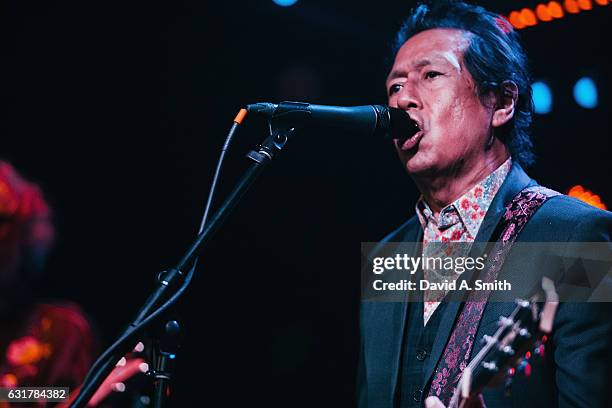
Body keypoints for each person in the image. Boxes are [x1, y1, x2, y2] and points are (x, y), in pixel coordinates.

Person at [357, 1, 612, 407]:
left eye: (431, 75)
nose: (403, 99)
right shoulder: (387, 255)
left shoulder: (581, 236)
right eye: (396, 86)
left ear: (502, 103)